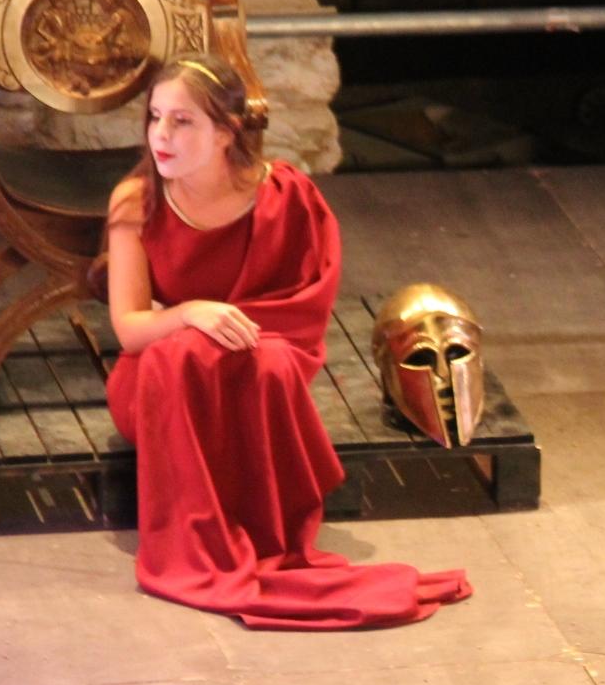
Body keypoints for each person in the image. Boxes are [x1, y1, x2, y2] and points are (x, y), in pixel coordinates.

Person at [105, 54, 472, 629]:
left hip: (253, 371)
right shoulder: (136, 200)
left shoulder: (285, 197)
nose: (161, 135)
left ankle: (266, 531)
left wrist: (212, 329)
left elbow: (299, 316)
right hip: (158, 381)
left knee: (269, 361)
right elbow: (130, 330)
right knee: (181, 355)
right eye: (155, 117)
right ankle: (204, 539)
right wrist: (192, 315)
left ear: (226, 132)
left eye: (182, 121)